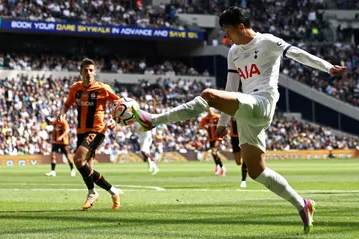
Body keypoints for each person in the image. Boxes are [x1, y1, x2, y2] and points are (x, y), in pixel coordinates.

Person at [133, 7, 347, 233]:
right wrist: (223, 122)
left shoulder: (268, 42)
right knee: (256, 171)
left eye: (228, 30)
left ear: (241, 27)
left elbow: (297, 53)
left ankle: (153, 120)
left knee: (208, 95)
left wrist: (327, 67)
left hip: (263, 102)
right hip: (246, 107)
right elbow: (231, 86)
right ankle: (303, 204)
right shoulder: (233, 51)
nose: (227, 36)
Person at [57, 58, 123, 210]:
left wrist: (114, 120)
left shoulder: (103, 88)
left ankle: (106, 191)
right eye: (86, 70)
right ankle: (98, 192)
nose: (88, 73)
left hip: (97, 130)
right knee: (87, 168)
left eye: (91, 70)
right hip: (81, 130)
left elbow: (120, 104)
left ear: (95, 72)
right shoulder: (76, 88)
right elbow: (67, 104)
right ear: (81, 72)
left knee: (78, 159)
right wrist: (62, 113)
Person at [199, 108, 226, 176]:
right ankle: (220, 167)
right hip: (211, 139)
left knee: (214, 151)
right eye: (208, 111)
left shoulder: (217, 117)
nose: (209, 112)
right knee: (213, 153)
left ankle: (220, 167)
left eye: (211, 110)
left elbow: (224, 124)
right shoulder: (206, 118)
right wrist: (204, 127)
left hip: (218, 138)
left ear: (213, 111)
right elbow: (201, 125)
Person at [230, 117, 247, 187]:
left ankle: (243, 180)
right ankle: (246, 163)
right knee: (238, 162)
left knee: (245, 157)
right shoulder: (231, 111)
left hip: (245, 136)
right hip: (234, 138)